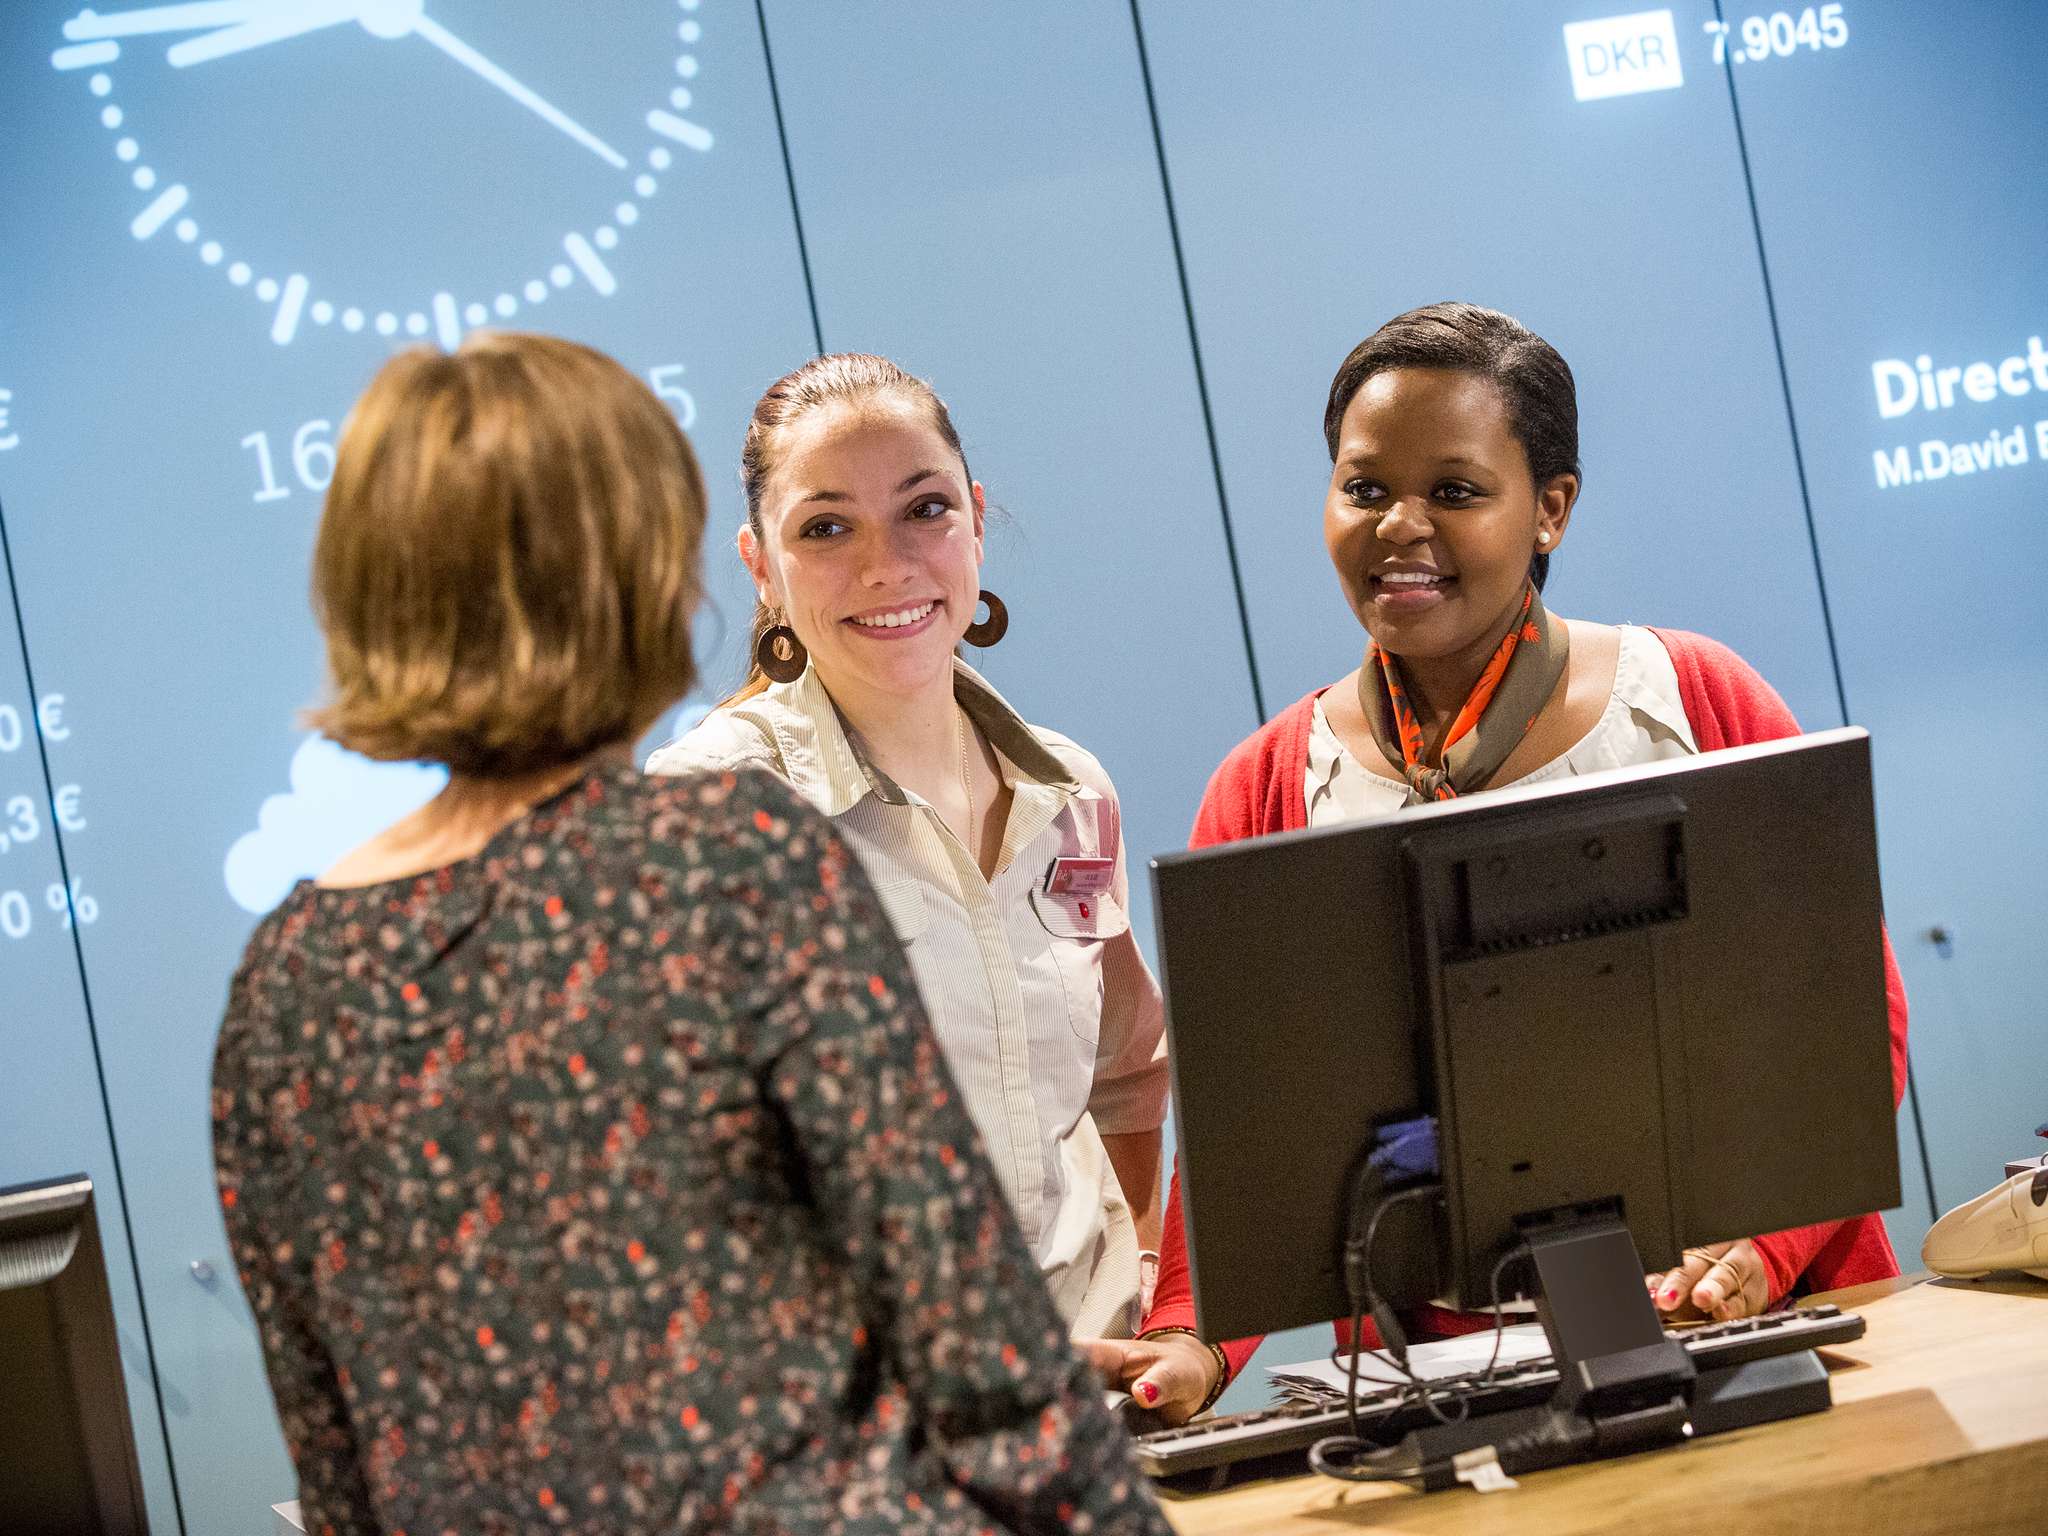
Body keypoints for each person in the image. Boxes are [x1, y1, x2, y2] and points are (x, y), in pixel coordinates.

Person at [211, 333, 1168, 1535]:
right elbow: (976, 1348)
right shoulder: (723, 859)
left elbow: (336, 1435)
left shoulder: (284, 977)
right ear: (658, 578)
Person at [1087, 302, 1911, 1423]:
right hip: (1450, 1401)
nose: (1397, 526)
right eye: (1364, 489)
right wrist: (1186, 1339)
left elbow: (1848, 1020)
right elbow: (1247, 1152)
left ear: (1550, 509)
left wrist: (1757, 1253)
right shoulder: (1267, 784)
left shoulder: (1696, 696)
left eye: (1455, 492)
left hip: (1762, 1343)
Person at [647, 354, 1168, 1340]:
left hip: (1100, 1411)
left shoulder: (1071, 795)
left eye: (923, 509)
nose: (886, 566)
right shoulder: (705, 815)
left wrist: (1144, 1290)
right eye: (826, 527)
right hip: (879, 1444)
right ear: (760, 566)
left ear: (973, 518)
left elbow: (1124, 1074)